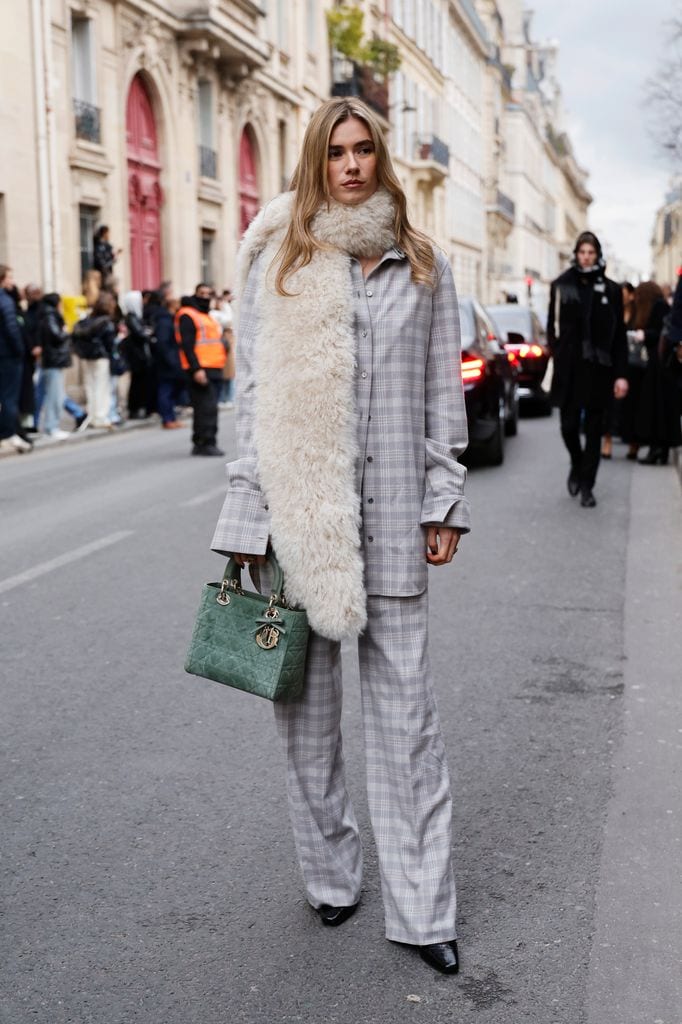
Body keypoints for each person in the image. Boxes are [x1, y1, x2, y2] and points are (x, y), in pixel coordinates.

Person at [210, 97, 470, 975]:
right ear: (316, 162)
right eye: (337, 152)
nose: (352, 165)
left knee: (409, 729)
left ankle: (425, 910)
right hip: (301, 522)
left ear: (381, 158)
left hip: (396, 518)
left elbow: (444, 400)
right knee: (307, 724)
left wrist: (444, 501)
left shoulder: (423, 264)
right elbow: (255, 408)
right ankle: (330, 880)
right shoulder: (283, 263)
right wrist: (246, 519)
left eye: (365, 151)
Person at [547, 231, 628, 507]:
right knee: (568, 425)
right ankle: (577, 463)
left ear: (598, 255)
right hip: (569, 368)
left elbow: (619, 335)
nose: (586, 257)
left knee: (595, 429)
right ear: (576, 253)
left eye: (591, 253)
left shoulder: (611, 289)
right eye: (582, 252)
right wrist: (557, 353)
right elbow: (551, 327)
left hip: (599, 369)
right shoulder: (561, 285)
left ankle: (587, 486)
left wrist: (620, 374)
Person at [174, 283, 225, 456]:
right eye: (201, 293)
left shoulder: (206, 315)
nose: (205, 297)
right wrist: (196, 369)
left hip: (213, 367)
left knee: (206, 407)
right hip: (200, 369)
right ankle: (206, 442)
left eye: (208, 294)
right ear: (195, 294)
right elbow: (187, 346)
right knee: (207, 408)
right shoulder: (188, 315)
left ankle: (200, 442)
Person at [634, 281, 682, 464]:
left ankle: (658, 450)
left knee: (658, 410)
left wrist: (645, 335)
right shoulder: (660, 306)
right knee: (659, 411)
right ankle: (659, 451)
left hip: (661, 366)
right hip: (660, 365)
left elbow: (663, 332)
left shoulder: (659, 306)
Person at [0, 265, 32, 453]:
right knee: (9, 397)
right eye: (10, 278)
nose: (12, 281)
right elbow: (12, 328)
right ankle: (7, 434)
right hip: (8, 355)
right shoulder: (5, 300)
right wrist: (20, 350)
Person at [72, 292, 116, 428]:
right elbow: (110, 342)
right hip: (101, 356)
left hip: (87, 356)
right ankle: (100, 416)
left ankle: (92, 414)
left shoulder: (87, 320)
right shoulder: (105, 321)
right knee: (101, 386)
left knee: (90, 385)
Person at [145, 290, 187, 429]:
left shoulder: (171, 319)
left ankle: (171, 417)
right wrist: (172, 360)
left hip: (172, 360)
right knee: (166, 390)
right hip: (167, 363)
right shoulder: (164, 321)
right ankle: (167, 418)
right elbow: (163, 343)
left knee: (171, 390)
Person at [38, 293, 72, 440]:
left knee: (55, 395)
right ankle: (51, 427)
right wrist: (66, 331)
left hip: (52, 360)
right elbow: (56, 335)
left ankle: (52, 426)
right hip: (53, 360)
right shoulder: (50, 316)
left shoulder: (46, 315)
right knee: (54, 395)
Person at [120, 290, 155, 419]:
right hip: (136, 355)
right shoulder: (131, 317)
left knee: (141, 382)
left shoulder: (137, 316)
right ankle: (134, 409)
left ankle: (139, 407)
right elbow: (140, 334)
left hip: (140, 354)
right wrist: (148, 333)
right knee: (137, 383)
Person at [93, 225, 121, 291]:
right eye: (108, 233)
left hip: (106, 273)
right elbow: (103, 262)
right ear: (104, 233)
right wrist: (113, 259)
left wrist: (115, 254)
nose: (109, 235)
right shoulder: (100, 246)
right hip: (103, 274)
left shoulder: (107, 245)